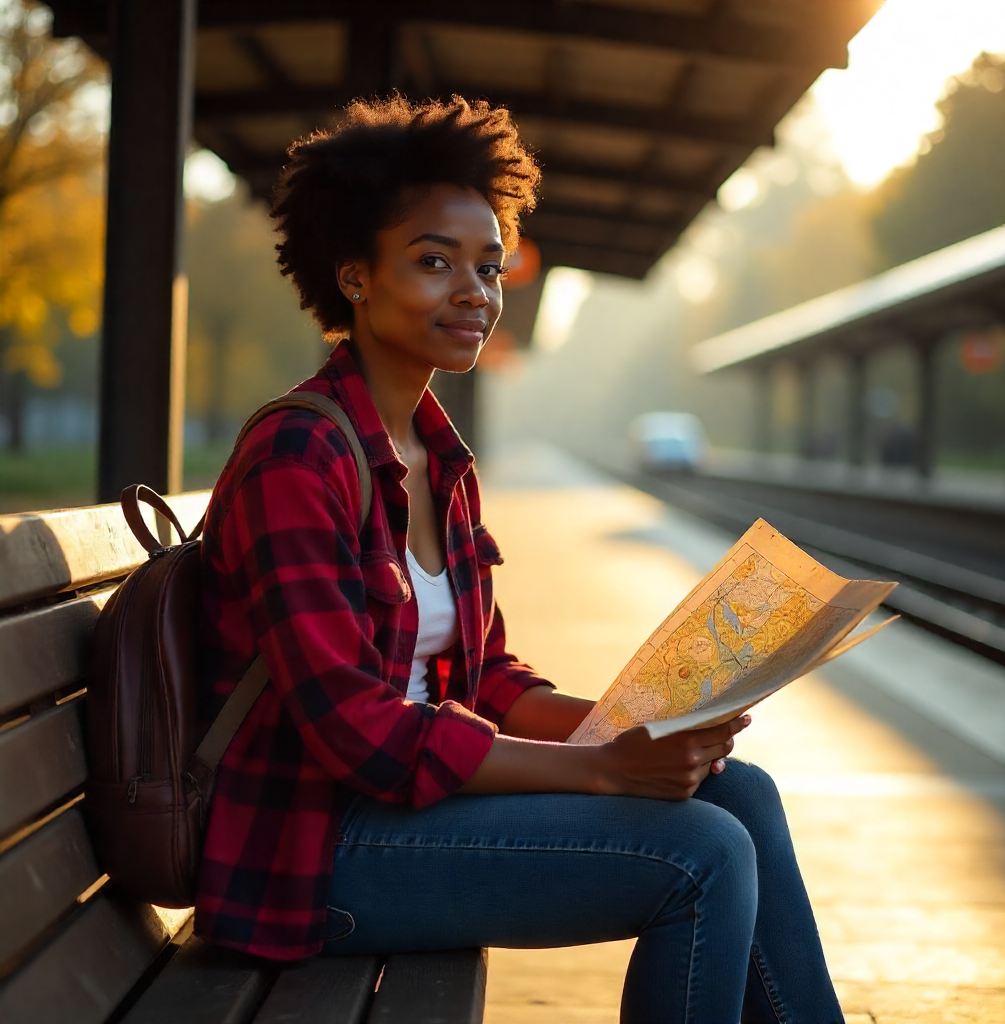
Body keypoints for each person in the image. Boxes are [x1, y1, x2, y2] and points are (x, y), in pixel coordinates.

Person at [195, 95, 843, 1024]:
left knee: (739, 792)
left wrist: (641, 729)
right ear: (354, 277)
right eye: (433, 262)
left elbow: (488, 679)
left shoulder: (437, 455)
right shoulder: (299, 459)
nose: (475, 292)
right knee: (703, 855)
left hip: (408, 818)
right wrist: (601, 772)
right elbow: (357, 731)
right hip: (313, 855)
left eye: (489, 267)